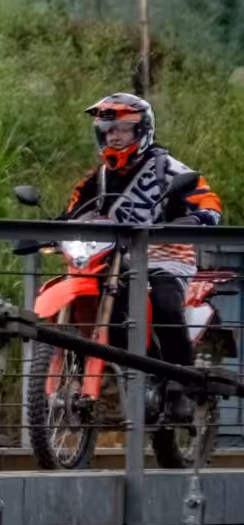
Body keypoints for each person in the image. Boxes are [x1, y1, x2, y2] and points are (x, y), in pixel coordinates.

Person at [61, 93, 222, 415]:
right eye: (109, 130)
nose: (114, 136)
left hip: (165, 255)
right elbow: (70, 212)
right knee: (107, 299)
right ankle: (125, 368)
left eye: (122, 129)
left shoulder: (168, 168)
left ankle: (181, 381)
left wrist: (193, 219)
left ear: (142, 131)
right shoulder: (97, 177)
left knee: (163, 300)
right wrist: (48, 231)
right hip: (113, 258)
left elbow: (210, 203)